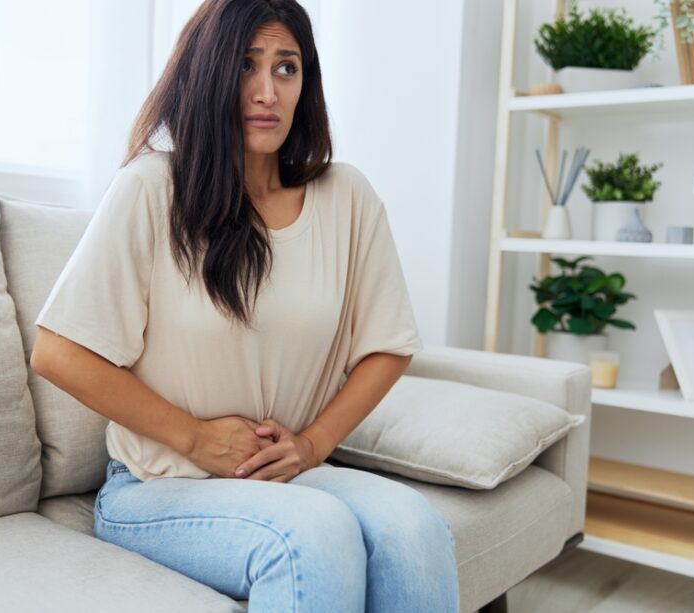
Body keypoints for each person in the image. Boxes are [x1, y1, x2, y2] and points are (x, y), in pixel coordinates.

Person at [30, 0, 459, 611]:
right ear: (208, 74)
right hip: (157, 485)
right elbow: (58, 352)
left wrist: (313, 443)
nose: (267, 91)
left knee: (414, 529)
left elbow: (388, 345)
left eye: (287, 67)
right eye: (244, 65)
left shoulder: (347, 197)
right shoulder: (153, 188)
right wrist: (196, 438)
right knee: (311, 536)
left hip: (286, 475)